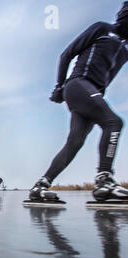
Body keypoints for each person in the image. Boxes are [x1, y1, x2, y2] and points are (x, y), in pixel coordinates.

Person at [30, 2, 128, 202]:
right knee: (114, 123)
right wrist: (59, 87)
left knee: (75, 142)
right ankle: (104, 180)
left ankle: (40, 186)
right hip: (78, 85)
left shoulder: (125, 49)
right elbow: (66, 54)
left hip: (93, 93)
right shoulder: (102, 29)